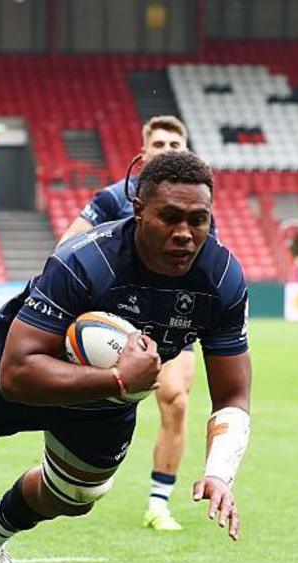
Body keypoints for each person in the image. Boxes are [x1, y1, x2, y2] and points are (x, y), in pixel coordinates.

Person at [0, 152, 250, 563]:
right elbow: (18, 373)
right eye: (170, 217)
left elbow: (233, 393)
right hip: (23, 365)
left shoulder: (222, 280)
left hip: (107, 399)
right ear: (138, 209)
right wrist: (118, 379)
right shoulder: (85, 262)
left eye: (198, 220)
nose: (185, 233)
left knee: (77, 495)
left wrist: (220, 473)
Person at [60, 115, 215, 531]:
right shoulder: (112, 200)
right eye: (159, 144)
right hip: (111, 323)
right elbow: (66, 247)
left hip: (170, 324)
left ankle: (158, 502)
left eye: (175, 144)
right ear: (143, 151)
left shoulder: (198, 210)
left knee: (177, 400)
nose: (167, 150)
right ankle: (75, 473)